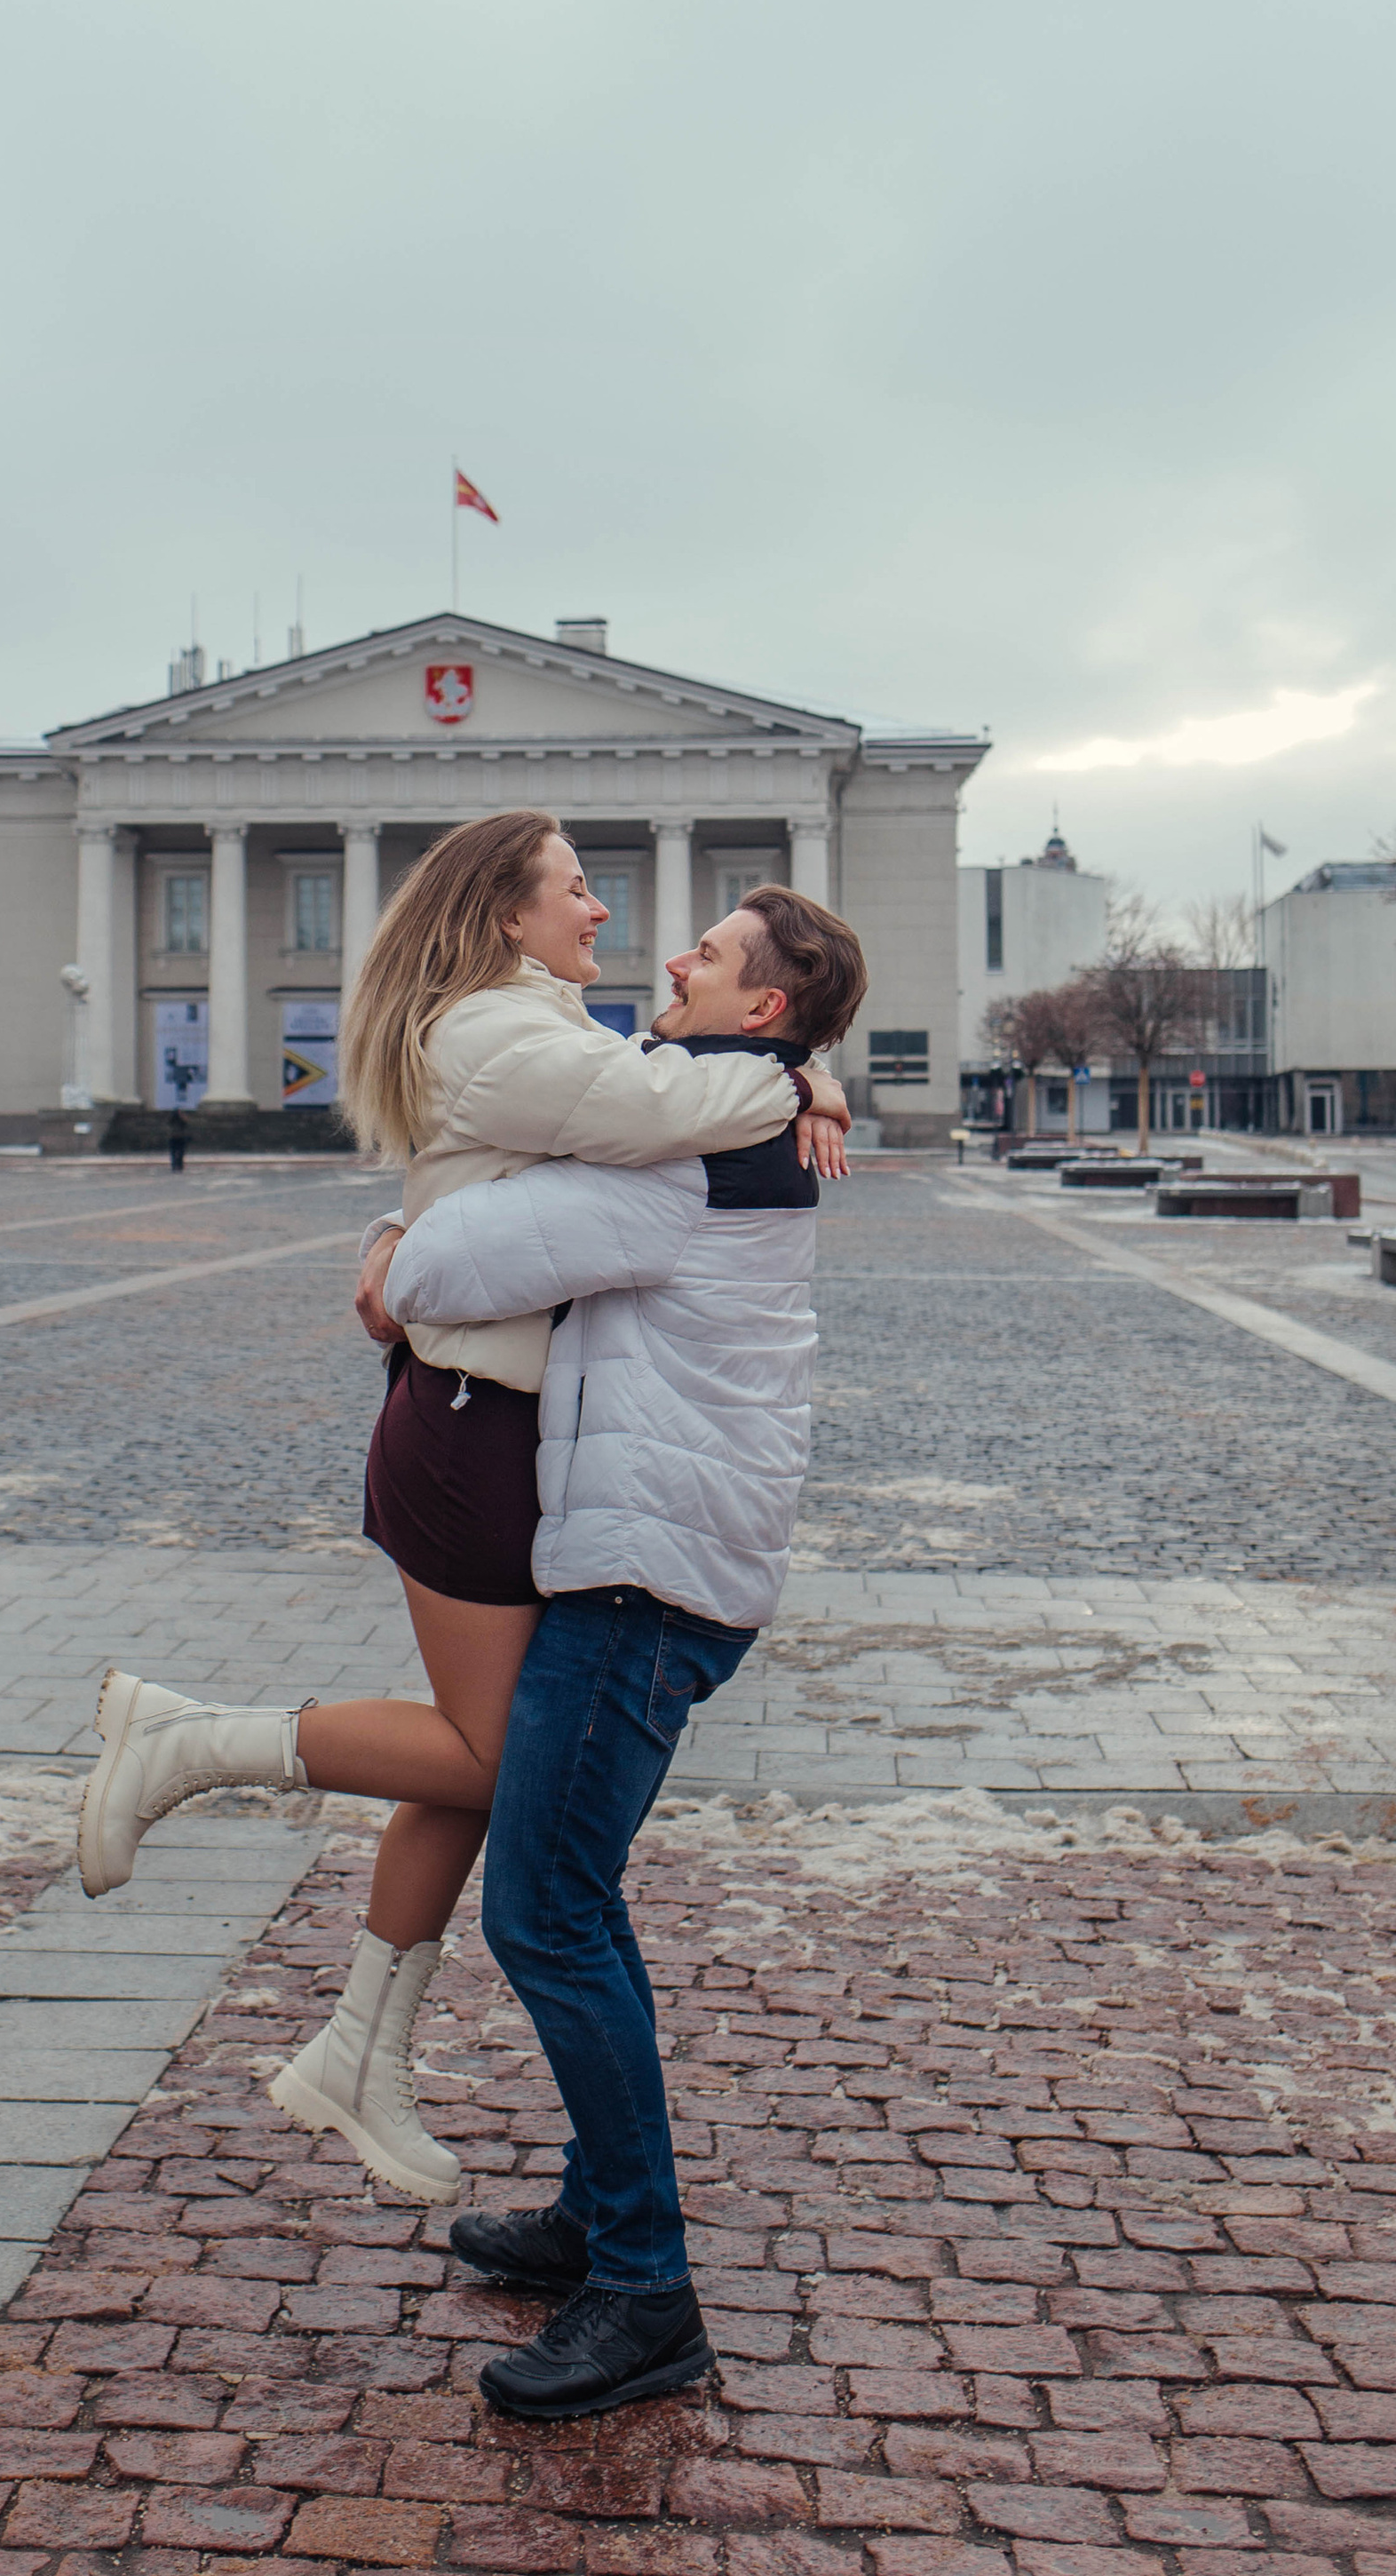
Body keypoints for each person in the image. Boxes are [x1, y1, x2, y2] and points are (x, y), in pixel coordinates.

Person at [74, 809, 850, 2202]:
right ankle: (188, 1745)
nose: (606, 915)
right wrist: (798, 1077)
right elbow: (666, 1109)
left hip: (506, 1426)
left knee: (487, 1765)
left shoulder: (538, 1019)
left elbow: (660, 1080)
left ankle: (360, 2050)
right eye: (573, 889)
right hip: (470, 1424)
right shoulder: (499, 1029)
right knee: (497, 1763)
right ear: (504, 910)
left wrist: (805, 1061)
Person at [366, 884, 868, 2420]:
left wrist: (412, 1221)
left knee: (543, 1914)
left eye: (708, 956)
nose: (671, 958)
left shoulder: (682, 1168)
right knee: (578, 1900)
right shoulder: (747, 1124)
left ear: (761, 1011)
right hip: (672, 1558)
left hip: (643, 1577)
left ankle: (646, 2290)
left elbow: (432, 1280)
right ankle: (599, 2215)